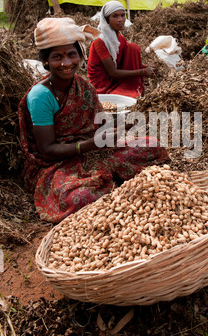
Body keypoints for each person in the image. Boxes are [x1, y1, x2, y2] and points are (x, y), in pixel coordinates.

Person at [18, 17, 169, 224]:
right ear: (45, 61)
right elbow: (47, 150)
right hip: (57, 162)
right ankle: (103, 179)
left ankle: (103, 176)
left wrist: (121, 126)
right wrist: (90, 144)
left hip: (92, 149)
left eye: (72, 54)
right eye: (57, 57)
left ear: (80, 55)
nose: (66, 63)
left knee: (151, 145)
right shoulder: (41, 96)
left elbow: (98, 125)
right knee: (79, 197)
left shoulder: (84, 86)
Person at [87, 0, 153, 98]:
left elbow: (124, 60)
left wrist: (145, 66)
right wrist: (143, 72)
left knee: (132, 47)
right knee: (126, 95)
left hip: (116, 75)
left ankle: (128, 86)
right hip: (103, 84)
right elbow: (113, 72)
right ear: (106, 19)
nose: (120, 19)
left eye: (122, 15)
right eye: (115, 16)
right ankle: (125, 89)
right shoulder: (100, 42)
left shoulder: (120, 38)